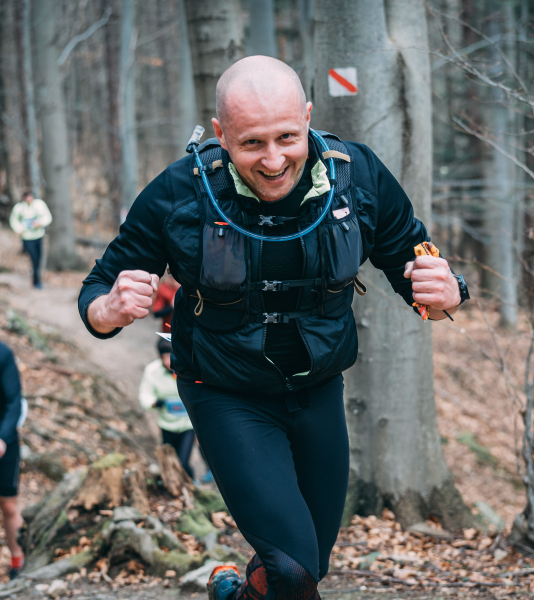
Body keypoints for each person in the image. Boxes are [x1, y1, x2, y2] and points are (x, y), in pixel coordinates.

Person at [78, 56, 469, 600]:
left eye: (287, 137)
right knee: (291, 569)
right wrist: (110, 309)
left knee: (310, 564)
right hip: (223, 391)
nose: (273, 159)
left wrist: (449, 291)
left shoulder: (355, 176)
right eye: (251, 143)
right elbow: (97, 288)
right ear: (220, 135)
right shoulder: (182, 193)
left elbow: (415, 261)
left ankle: (232, 593)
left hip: (318, 389)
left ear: (307, 117)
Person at [139, 339, 199, 480]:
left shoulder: (189, 366)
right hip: (167, 424)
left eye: (169, 356)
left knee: (182, 463)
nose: (167, 361)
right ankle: (175, 484)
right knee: (169, 461)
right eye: (163, 357)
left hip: (187, 425)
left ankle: (191, 483)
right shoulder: (152, 371)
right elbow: (144, 394)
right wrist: (156, 403)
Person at [0, 342, 25, 580]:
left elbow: (14, 402)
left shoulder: (3, 354)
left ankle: (18, 559)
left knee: (8, 504)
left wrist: (2, 438)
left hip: (4, 441)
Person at [9, 191, 53, 289]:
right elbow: (13, 220)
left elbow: (47, 217)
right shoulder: (19, 208)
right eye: (27, 197)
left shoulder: (39, 205)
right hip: (26, 237)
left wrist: (39, 223)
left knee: (38, 259)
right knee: (33, 258)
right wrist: (19, 229)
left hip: (38, 236)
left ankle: (36, 279)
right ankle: (35, 279)